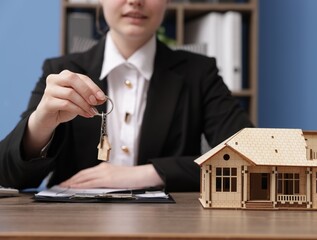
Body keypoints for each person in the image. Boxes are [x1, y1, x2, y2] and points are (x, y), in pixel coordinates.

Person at [0, 0, 253, 192]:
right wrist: (41, 125)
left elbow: (250, 160)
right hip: (74, 225)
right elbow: (8, 176)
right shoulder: (60, 72)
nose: (135, 1)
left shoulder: (200, 73)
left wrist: (151, 173)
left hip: (170, 227)